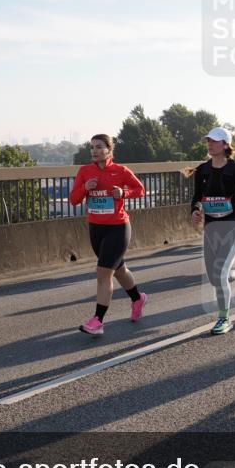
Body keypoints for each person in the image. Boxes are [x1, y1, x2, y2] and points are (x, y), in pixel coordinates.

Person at [68, 134, 147, 336]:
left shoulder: (120, 171)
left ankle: (98, 321)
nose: (94, 150)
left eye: (99, 147)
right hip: (96, 228)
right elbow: (73, 200)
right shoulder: (85, 171)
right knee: (119, 270)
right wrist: (85, 188)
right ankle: (138, 298)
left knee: (103, 273)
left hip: (118, 228)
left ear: (109, 150)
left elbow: (140, 190)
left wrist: (123, 193)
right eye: (92, 147)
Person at [191, 128, 235, 335]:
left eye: (214, 141)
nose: (209, 144)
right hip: (211, 229)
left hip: (233, 227)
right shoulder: (202, 170)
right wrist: (195, 210)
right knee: (214, 278)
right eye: (208, 141)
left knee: (220, 275)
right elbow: (196, 197)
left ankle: (224, 318)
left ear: (225, 145)